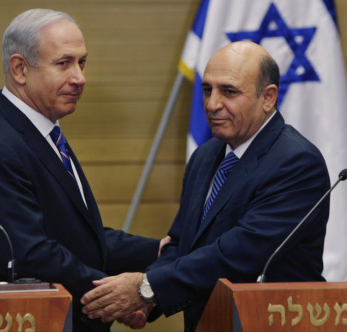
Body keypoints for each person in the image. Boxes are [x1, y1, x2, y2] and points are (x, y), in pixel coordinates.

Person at [80, 41, 331, 332]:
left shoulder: (296, 162)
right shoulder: (206, 155)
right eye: (207, 89)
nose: (212, 104)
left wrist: (146, 288)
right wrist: (148, 301)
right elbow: (181, 244)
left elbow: (239, 254)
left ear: (268, 97)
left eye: (229, 91)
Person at [0, 8, 168, 332]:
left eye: (82, 63)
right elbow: (32, 255)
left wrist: (156, 251)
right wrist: (113, 296)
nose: (80, 78)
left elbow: (72, 235)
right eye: (64, 63)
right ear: (20, 69)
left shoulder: (43, 131)